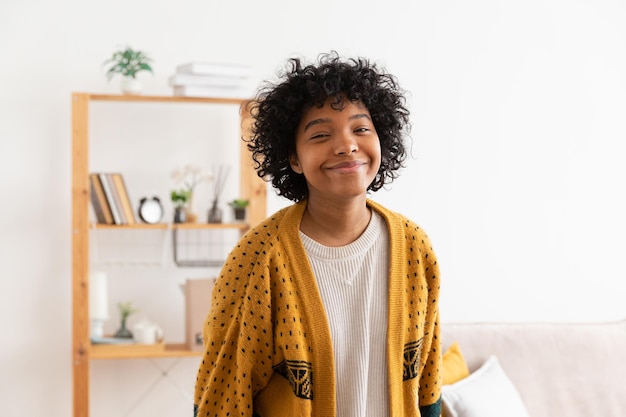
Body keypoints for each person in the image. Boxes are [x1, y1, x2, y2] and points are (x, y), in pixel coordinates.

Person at [194, 52, 442, 417]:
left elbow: (428, 381)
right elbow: (223, 393)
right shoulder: (258, 258)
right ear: (293, 158)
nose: (347, 145)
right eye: (322, 134)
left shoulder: (414, 247)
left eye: (360, 129)